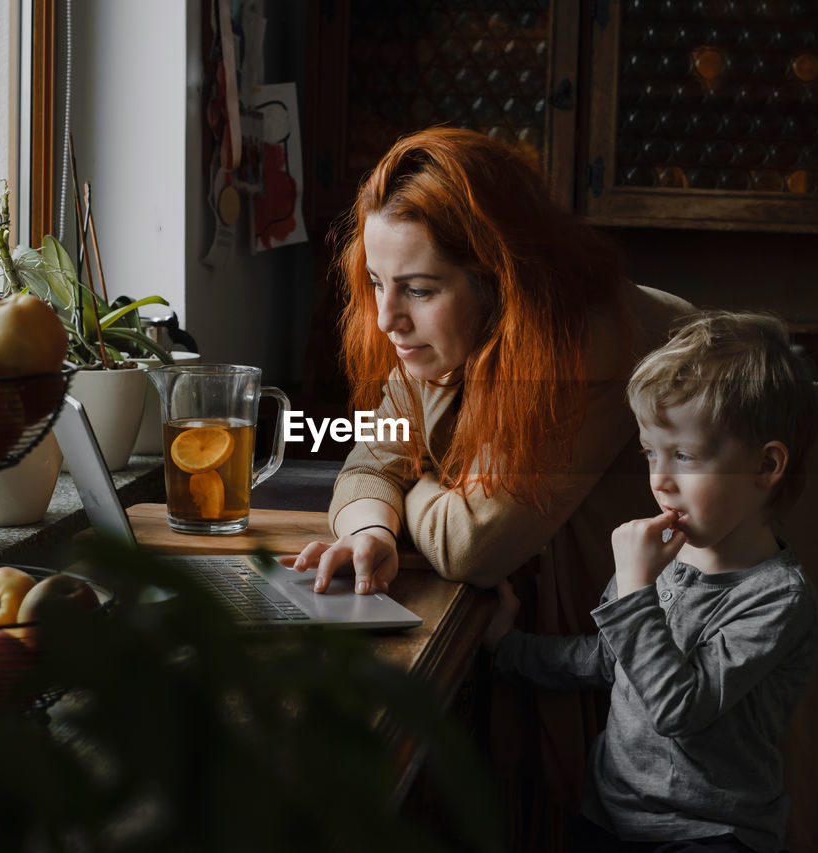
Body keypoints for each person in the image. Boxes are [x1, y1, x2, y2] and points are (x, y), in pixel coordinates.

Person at [285, 127, 691, 844]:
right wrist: (370, 528)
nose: (386, 317)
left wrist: (411, 475)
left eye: (418, 288)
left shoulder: (588, 343)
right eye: (376, 283)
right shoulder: (444, 334)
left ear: (500, 277)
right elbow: (371, 454)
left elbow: (476, 543)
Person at [483, 311, 818, 853]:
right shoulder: (664, 559)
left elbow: (679, 712)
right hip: (610, 810)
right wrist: (508, 650)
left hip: (711, 831)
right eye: (650, 453)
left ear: (766, 466)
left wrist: (638, 591)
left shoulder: (777, 598)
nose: (659, 479)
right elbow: (606, 660)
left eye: (684, 456)